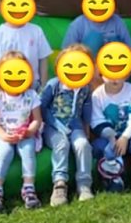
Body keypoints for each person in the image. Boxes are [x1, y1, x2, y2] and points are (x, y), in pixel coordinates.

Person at [0, 52, 43, 213]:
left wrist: (29, 131)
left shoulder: (31, 95)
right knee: (5, 152)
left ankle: (29, 189)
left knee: (28, 150)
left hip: (24, 133)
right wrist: (3, 135)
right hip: (3, 133)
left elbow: (37, 119)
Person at [90, 57, 131, 194]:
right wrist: (111, 137)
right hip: (109, 136)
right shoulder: (97, 95)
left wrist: (125, 137)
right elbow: (97, 121)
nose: (115, 79)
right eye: (110, 74)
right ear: (102, 74)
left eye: (119, 74)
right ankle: (113, 177)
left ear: (126, 73)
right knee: (101, 146)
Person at [40, 44, 95, 205]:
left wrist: (86, 129)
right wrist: (56, 125)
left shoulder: (85, 87)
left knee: (82, 145)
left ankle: (84, 185)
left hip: (75, 127)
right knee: (61, 144)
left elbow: (86, 107)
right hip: (53, 127)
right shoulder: (54, 85)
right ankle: (60, 184)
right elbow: (42, 107)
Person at [61, 0, 131, 57]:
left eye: (104, 2)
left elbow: (130, 50)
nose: (99, 6)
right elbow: (67, 54)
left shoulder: (118, 22)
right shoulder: (77, 25)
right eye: (93, 2)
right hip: (87, 62)